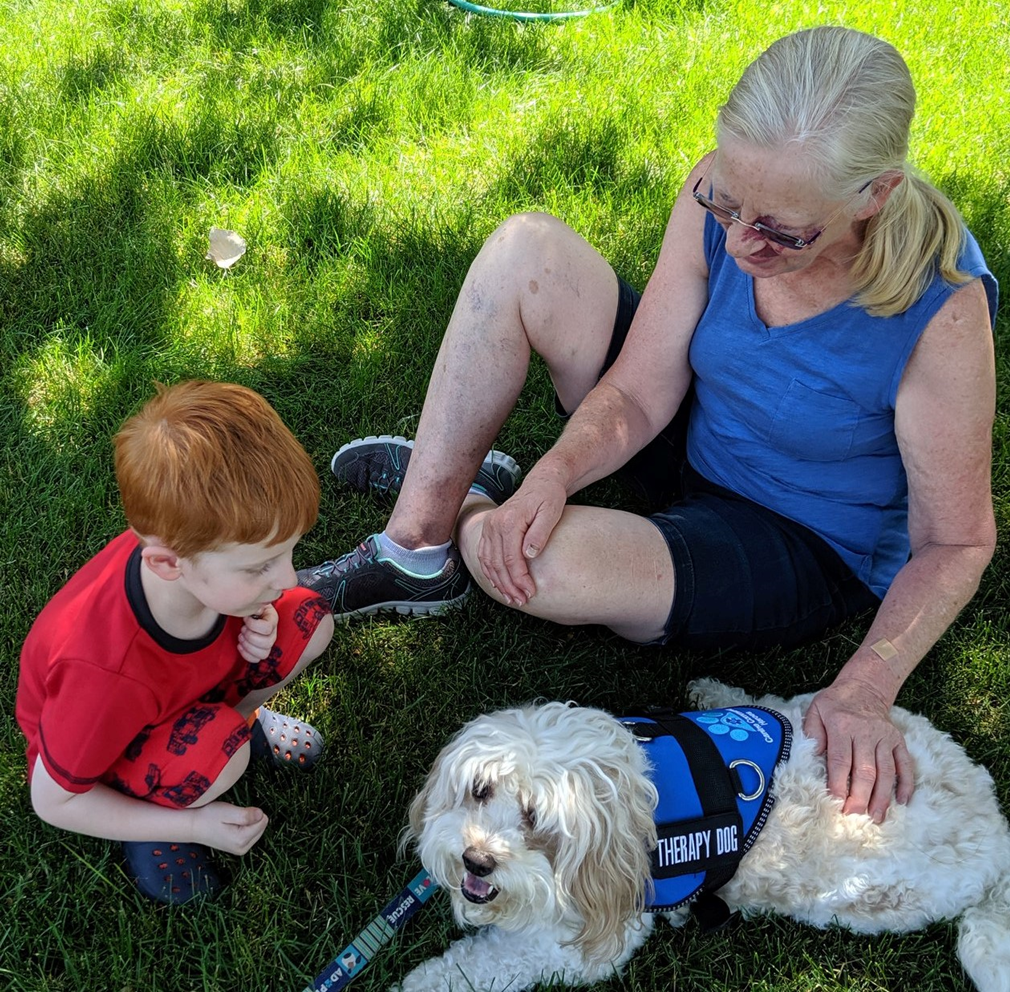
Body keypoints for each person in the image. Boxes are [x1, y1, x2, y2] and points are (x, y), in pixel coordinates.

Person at [298, 27, 997, 825]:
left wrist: (865, 689)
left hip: (800, 539)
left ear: (874, 194)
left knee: (539, 567)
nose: (737, 241)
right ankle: (418, 546)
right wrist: (556, 473)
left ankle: (464, 486)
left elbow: (957, 541)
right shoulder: (727, 195)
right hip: (695, 432)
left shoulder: (940, 310)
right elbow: (637, 391)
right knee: (527, 251)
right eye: (728, 204)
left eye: (779, 230)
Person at [17, 380, 335, 905]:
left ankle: (240, 724)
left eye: (289, 551)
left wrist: (263, 626)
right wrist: (198, 827)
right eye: (260, 565)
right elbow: (52, 801)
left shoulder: (198, 559)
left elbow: (274, 598)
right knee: (219, 753)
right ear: (167, 563)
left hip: (183, 692)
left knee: (307, 619)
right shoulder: (104, 673)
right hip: (108, 748)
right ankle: (159, 820)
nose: (287, 575)